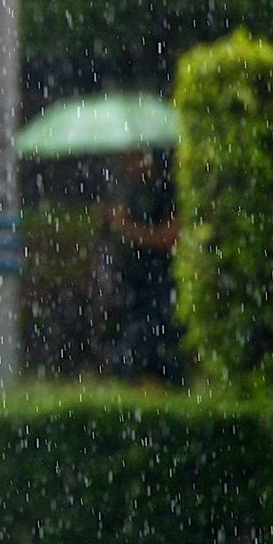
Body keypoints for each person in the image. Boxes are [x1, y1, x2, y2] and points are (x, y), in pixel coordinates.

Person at [99, 148, 181, 385]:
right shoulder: (132, 191)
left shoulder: (165, 191)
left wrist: (129, 228)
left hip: (160, 280)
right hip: (134, 283)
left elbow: (169, 236)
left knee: (158, 338)